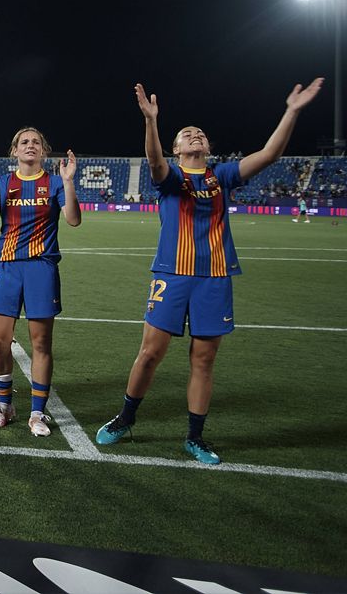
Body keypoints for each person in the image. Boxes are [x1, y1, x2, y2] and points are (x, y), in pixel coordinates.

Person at [96, 79, 323, 464]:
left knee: (203, 360)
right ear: (178, 149)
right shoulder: (170, 178)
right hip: (172, 274)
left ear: (207, 147)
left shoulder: (223, 176)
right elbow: (153, 161)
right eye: (187, 135)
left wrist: (293, 110)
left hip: (214, 277)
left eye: (200, 133)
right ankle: (125, 418)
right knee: (150, 353)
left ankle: (195, 437)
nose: (195, 135)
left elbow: (269, 154)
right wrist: (151, 121)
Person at [0, 126, 81, 436]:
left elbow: (72, 219)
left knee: (41, 343)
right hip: (5, 266)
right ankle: (4, 405)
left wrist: (69, 182)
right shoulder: (4, 183)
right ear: (15, 151)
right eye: (23, 142)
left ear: (43, 151)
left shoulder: (55, 182)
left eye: (35, 142)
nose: (29, 146)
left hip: (41, 268)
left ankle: (37, 413)